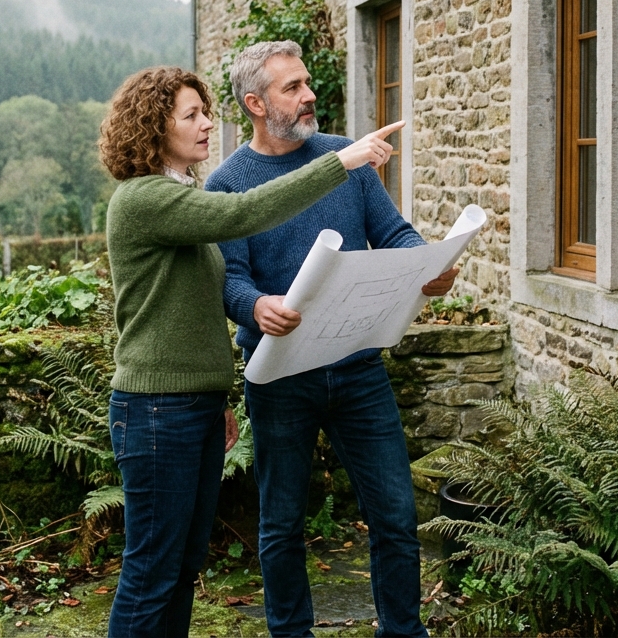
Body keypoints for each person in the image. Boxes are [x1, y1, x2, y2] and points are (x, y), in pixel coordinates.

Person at [98, 65, 402, 638]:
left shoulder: (176, 195)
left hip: (191, 406)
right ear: (152, 128)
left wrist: (220, 397)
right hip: (156, 412)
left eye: (204, 111)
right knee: (150, 573)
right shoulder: (145, 200)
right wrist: (342, 160)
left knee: (181, 568)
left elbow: (190, 313)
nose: (207, 123)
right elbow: (242, 213)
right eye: (191, 115)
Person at [205, 41, 457, 638]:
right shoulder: (227, 183)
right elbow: (230, 279)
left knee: (395, 514)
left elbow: (392, 231)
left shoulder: (344, 157)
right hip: (279, 374)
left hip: (357, 366)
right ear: (256, 104)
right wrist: (255, 305)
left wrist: (428, 266)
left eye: (306, 83)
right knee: (282, 524)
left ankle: (403, 631)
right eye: (292, 87)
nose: (309, 94)